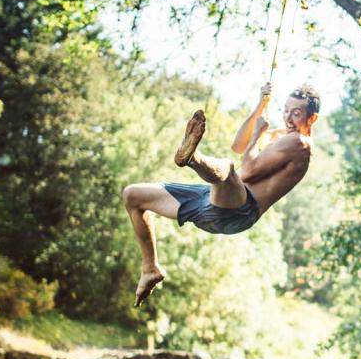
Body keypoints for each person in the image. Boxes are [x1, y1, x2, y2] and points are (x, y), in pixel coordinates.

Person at [122, 82, 320, 307]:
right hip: (216, 202)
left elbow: (249, 170)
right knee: (132, 195)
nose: (288, 118)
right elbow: (239, 145)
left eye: (296, 113)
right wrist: (260, 105)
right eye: (285, 110)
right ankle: (150, 268)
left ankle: (193, 158)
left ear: (312, 118)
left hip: (241, 209)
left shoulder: (300, 143)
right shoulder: (284, 136)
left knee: (228, 169)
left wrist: (258, 133)